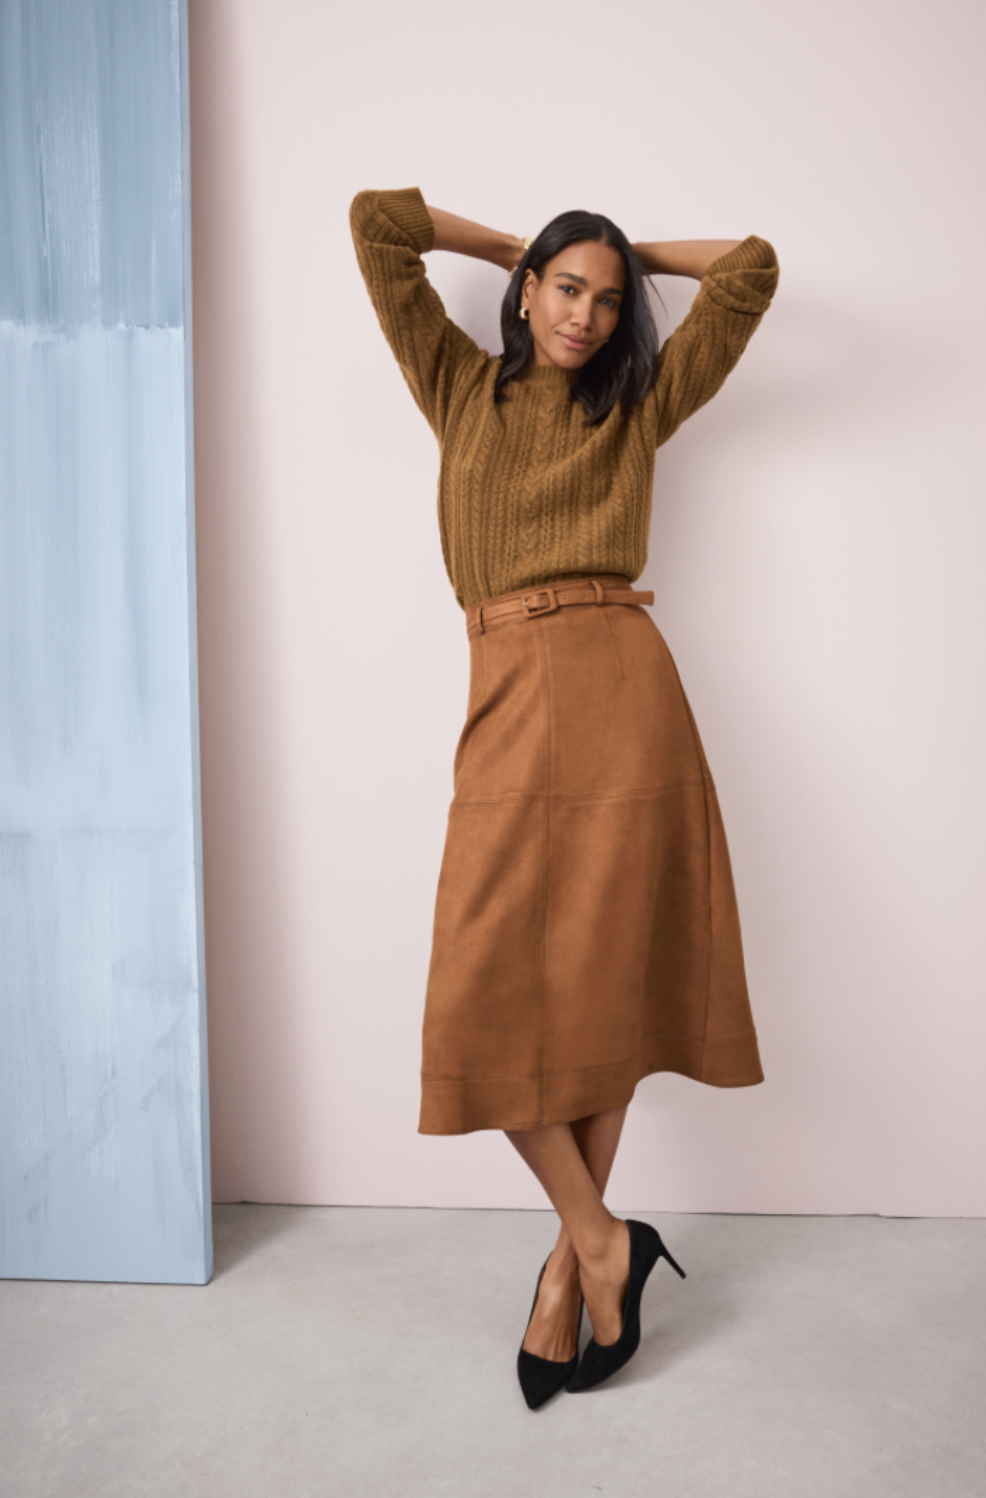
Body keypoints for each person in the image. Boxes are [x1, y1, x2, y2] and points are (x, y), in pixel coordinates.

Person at [349, 186, 779, 1407]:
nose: (585, 314)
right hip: (505, 683)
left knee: (600, 973)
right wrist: (514, 244)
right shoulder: (456, 382)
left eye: (606, 298)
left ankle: (566, 1268)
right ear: (528, 292)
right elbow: (376, 224)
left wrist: (624, 253)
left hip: (619, 683)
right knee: (481, 987)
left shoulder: (636, 403)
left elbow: (749, 268)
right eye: (565, 287)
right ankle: (599, 1238)